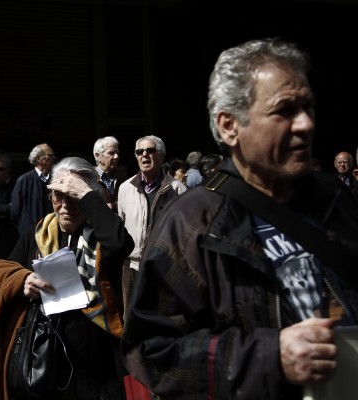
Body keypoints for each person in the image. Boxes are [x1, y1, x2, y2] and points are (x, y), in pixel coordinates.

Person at [121, 38, 358, 399]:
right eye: (284, 111)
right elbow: (150, 351)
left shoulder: (334, 198)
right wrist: (268, 358)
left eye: (308, 107)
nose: (306, 124)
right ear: (229, 126)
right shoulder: (191, 222)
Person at [0, 157, 134, 400]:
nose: (65, 205)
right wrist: (23, 280)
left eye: (73, 197)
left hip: (96, 361)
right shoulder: (37, 233)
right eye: (58, 196)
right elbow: (6, 271)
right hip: (44, 356)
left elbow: (121, 244)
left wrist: (87, 194)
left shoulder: (101, 233)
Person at [117, 136, 186, 316]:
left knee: (161, 319)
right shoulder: (125, 188)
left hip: (163, 269)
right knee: (131, 320)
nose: (144, 155)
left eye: (150, 150)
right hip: (132, 267)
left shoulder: (177, 189)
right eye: (139, 152)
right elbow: (121, 228)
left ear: (161, 156)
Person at [10, 143, 56, 235]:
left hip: (52, 232)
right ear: (39, 159)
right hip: (30, 233)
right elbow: (15, 212)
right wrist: (23, 227)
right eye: (50, 155)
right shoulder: (23, 180)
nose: (54, 158)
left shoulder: (56, 179)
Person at [93, 136, 120, 210]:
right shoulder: (89, 178)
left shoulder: (121, 179)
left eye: (117, 153)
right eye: (111, 153)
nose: (116, 157)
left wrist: (113, 205)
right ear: (97, 156)